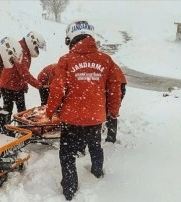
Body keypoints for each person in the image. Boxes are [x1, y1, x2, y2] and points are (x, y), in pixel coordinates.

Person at [45, 21, 123, 201]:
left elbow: (57, 89)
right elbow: (114, 88)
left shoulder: (66, 60)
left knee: (67, 154)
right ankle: (97, 173)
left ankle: (70, 188)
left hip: (71, 118)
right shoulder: (106, 60)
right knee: (95, 147)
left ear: (71, 38)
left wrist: (50, 111)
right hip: (95, 117)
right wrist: (113, 110)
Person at [0, 31, 46, 115]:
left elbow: (21, 71)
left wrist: (24, 85)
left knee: (21, 111)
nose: (37, 50)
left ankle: (10, 126)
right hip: (8, 85)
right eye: (37, 48)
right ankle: (6, 127)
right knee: (10, 111)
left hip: (15, 85)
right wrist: (39, 86)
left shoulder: (24, 49)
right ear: (32, 42)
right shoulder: (20, 50)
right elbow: (24, 73)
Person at [105, 68, 127, 143]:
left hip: (116, 85)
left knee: (111, 111)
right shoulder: (107, 64)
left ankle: (111, 138)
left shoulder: (107, 66)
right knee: (109, 110)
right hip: (117, 83)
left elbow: (114, 99)